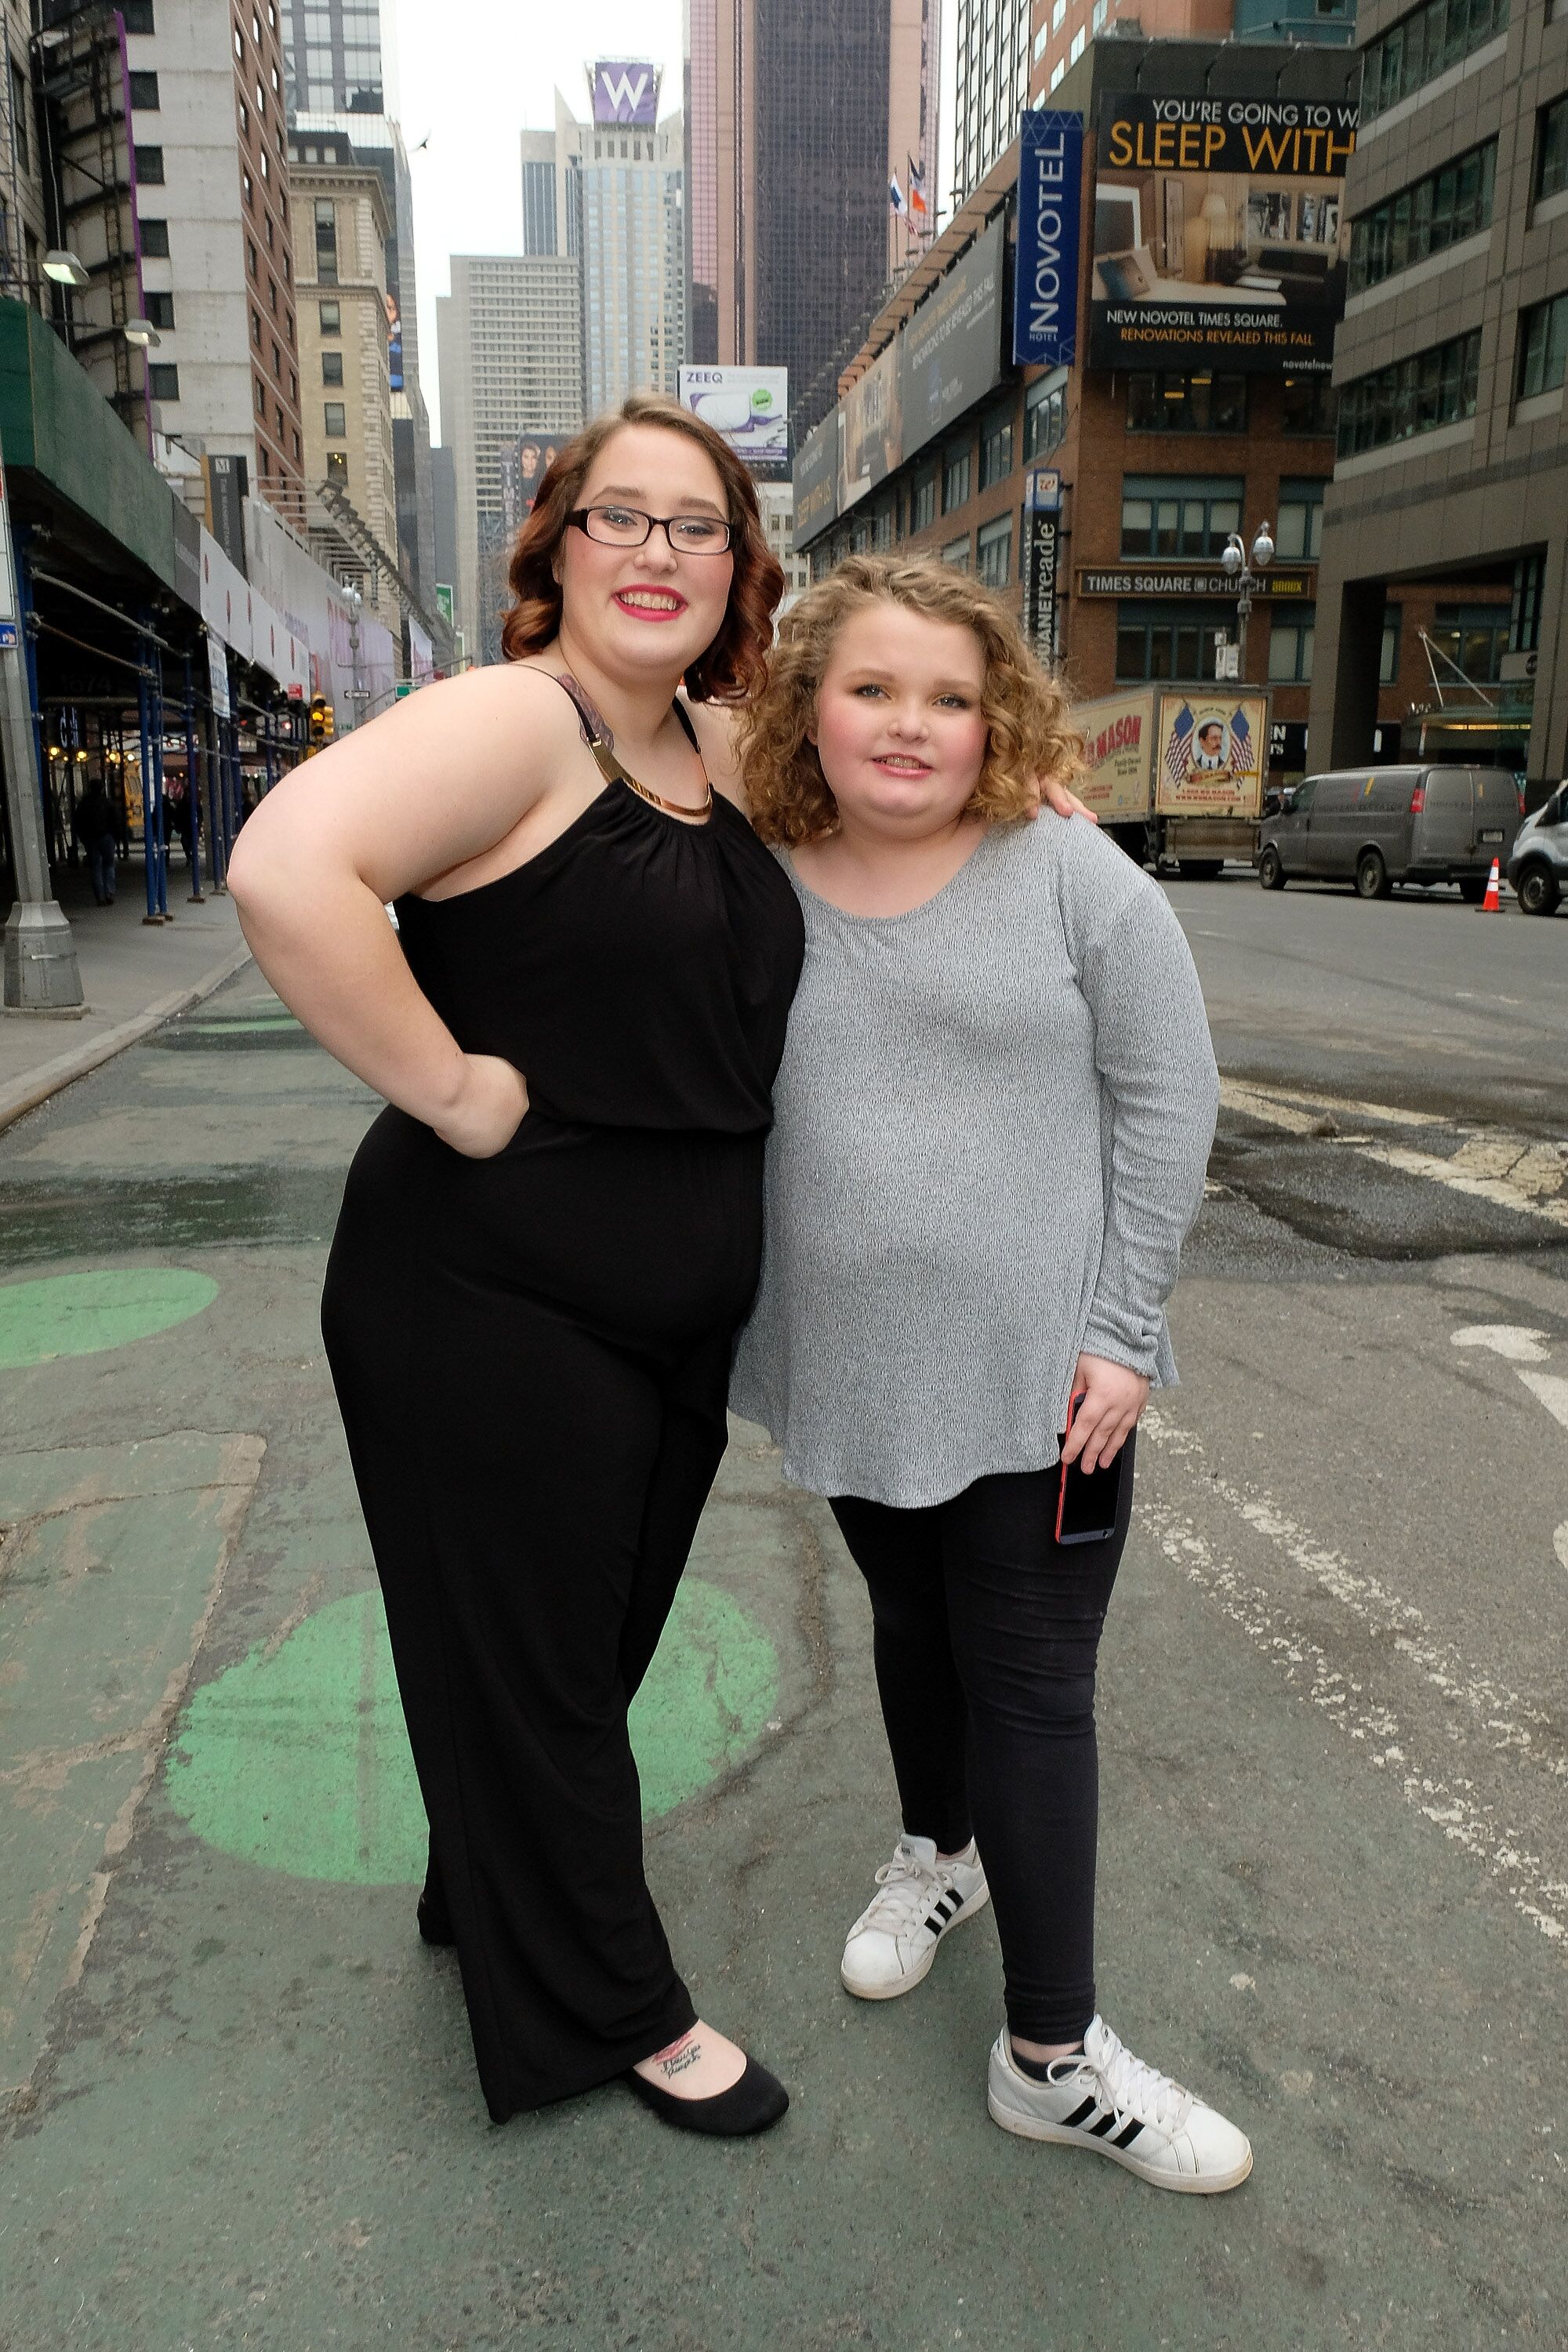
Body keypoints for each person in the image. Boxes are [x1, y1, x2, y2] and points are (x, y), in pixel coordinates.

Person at [228, 394, 809, 2135]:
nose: (655, 551)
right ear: (555, 547)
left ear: (736, 569)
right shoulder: (517, 718)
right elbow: (285, 868)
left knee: (581, 1649)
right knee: (552, 1668)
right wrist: (453, 1091)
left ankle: (482, 1876)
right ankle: (610, 2005)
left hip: (668, 1317)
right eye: (617, 518)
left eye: (694, 526)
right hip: (488, 1296)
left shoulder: (712, 750)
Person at [731, 556, 1252, 2193]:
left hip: (1048, 1380)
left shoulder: (1069, 873)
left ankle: (1051, 2053)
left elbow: (1170, 1099)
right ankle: (933, 1855)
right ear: (809, 699)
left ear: (998, 721)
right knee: (909, 1627)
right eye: (872, 687)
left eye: (951, 698)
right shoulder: (757, 871)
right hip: (847, 1367)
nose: (910, 724)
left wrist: (1119, 1330)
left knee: (1029, 1685)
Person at [75, 775, 119, 906]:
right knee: (109, 865)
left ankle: (100, 896)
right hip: (106, 836)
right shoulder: (108, 803)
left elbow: (78, 822)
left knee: (95, 867)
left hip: (90, 838)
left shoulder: (84, 804)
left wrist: (83, 837)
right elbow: (116, 820)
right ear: (102, 788)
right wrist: (116, 836)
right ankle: (109, 892)